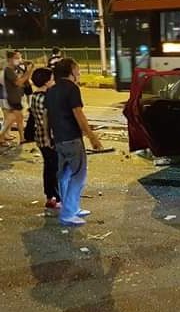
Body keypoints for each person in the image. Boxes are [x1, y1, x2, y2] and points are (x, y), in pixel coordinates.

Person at [45, 58, 103, 226]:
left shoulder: (51, 90)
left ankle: (71, 207)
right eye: (77, 69)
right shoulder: (72, 89)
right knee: (78, 175)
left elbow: (46, 116)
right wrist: (92, 137)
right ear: (71, 71)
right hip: (72, 138)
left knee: (64, 175)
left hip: (59, 139)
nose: (79, 73)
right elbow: (78, 114)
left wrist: (49, 136)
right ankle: (68, 213)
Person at [30, 67, 62, 215]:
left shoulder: (35, 96)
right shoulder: (46, 98)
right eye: (52, 79)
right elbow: (47, 120)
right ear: (46, 81)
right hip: (48, 139)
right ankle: (57, 197)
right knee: (55, 169)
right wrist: (52, 138)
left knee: (49, 168)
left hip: (40, 137)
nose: (53, 81)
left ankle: (50, 197)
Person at [0, 50, 32, 145]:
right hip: (11, 98)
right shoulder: (8, 70)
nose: (20, 59)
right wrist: (29, 70)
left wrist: (28, 69)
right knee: (13, 118)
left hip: (15, 97)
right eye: (17, 58)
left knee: (16, 118)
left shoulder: (15, 69)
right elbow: (18, 82)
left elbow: (25, 80)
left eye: (20, 57)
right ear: (10, 59)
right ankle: (3, 136)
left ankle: (21, 138)